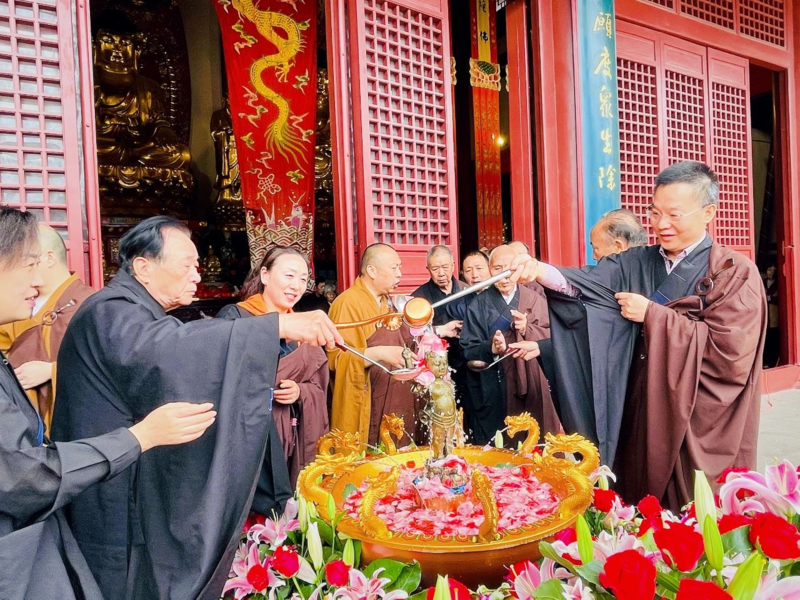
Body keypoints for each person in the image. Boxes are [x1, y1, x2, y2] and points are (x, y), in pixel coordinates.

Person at [51, 216, 341, 600]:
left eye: (198, 265)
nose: (197, 274)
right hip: (112, 493)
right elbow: (168, 350)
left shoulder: (137, 310)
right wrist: (276, 328)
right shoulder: (111, 310)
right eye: (186, 265)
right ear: (143, 267)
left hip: (130, 482)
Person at [521, 161, 766, 510]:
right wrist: (540, 270)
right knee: (639, 504)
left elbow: (731, 353)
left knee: (693, 515)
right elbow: (587, 287)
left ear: (708, 212)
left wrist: (653, 315)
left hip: (696, 417)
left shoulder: (734, 273)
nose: (661, 225)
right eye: (655, 213)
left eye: (674, 215)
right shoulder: (635, 261)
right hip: (640, 407)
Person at [0, 207, 217, 599]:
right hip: (38, 531)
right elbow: (19, 475)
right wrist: (140, 437)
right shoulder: (109, 309)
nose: (38, 281)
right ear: (143, 267)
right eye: (29, 265)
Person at [217, 247, 329, 487]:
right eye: (289, 276)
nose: (296, 286)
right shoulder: (237, 317)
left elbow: (318, 383)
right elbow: (220, 373)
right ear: (265, 276)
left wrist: (300, 391)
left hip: (293, 431)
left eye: (303, 279)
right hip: (251, 434)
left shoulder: (303, 326)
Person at [460, 245, 560, 444]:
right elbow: (468, 349)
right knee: (500, 448)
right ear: (490, 271)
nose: (505, 275)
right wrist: (491, 348)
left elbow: (555, 340)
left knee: (535, 445)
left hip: (532, 384)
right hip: (496, 387)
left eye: (510, 268)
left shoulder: (535, 299)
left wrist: (527, 329)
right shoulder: (478, 306)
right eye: (498, 268)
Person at [0, 225, 94, 434]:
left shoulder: (90, 303)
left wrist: (51, 370)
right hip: (12, 416)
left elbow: (110, 365)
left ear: (49, 258)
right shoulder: (10, 301)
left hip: (64, 421)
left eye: (31, 262)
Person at [327, 243, 407, 442]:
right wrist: (379, 353)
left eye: (400, 267)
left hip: (387, 398)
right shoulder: (347, 303)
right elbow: (337, 360)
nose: (400, 274)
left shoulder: (387, 303)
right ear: (371, 270)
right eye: (394, 267)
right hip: (364, 399)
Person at [763, 264, 780, 368]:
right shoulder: (762, 282)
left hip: (774, 316)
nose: (771, 272)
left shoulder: (778, 283)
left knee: (773, 338)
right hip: (764, 315)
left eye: (774, 271)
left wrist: (769, 298)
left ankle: (772, 361)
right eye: (769, 270)